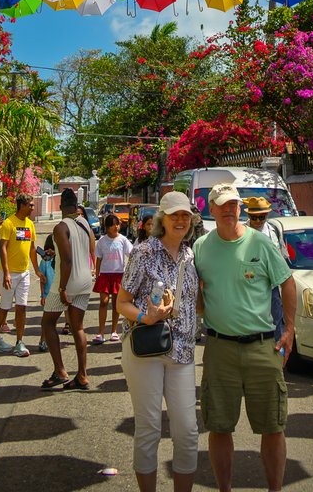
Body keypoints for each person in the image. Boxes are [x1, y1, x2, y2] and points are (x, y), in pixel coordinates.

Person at [193, 182, 295, 492]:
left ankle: (275, 489)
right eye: (222, 204)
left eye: (234, 204)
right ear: (211, 209)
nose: (229, 210)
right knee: (219, 426)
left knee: (273, 427)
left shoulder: (261, 244)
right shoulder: (201, 247)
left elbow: (287, 284)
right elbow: (196, 293)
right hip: (219, 347)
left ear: (241, 208)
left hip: (262, 346)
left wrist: (289, 330)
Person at [117, 190, 202, 492]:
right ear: (161, 219)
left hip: (182, 351)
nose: (180, 220)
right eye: (174, 215)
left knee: (188, 431)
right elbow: (122, 302)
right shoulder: (143, 252)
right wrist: (146, 317)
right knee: (149, 427)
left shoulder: (192, 256)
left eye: (185, 215)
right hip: (146, 349)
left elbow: (197, 302)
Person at [41, 187, 94, 389]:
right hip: (85, 280)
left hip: (67, 281)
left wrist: (62, 288)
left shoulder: (61, 227)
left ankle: (60, 371)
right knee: (77, 327)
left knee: (48, 323)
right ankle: (82, 375)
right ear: (76, 205)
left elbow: (68, 260)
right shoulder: (84, 224)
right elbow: (88, 251)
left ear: (61, 206)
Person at [0, 194, 43, 356]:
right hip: (9, 273)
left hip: (24, 273)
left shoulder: (30, 225)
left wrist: (37, 270)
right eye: (30, 205)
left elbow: (32, 249)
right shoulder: (8, 223)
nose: (33, 208)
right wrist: (5, 273)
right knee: (5, 307)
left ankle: (20, 342)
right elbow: (3, 248)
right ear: (22, 206)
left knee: (22, 307)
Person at [244, 196, 286, 342]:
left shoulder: (274, 231)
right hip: (249, 286)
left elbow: (282, 257)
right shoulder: (241, 231)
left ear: (267, 215)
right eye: (253, 217)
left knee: (276, 320)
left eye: (261, 217)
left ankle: (277, 356)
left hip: (272, 286)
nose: (257, 221)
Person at [92, 213, 133, 344]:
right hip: (104, 275)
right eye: (112, 225)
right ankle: (100, 332)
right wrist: (97, 274)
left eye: (117, 224)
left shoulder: (123, 240)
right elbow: (99, 259)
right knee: (103, 302)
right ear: (107, 226)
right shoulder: (102, 242)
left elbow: (132, 254)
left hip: (119, 275)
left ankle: (114, 331)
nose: (115, 227)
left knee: (116, 304)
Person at [37, 235, 56, 353]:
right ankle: (43, 340)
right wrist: (43, 295)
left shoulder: (61, 258)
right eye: (48, 249)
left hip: (60, 291)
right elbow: (42, 278)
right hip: (48, 293)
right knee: (47, 319)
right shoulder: (45, 261)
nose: (50, 252)